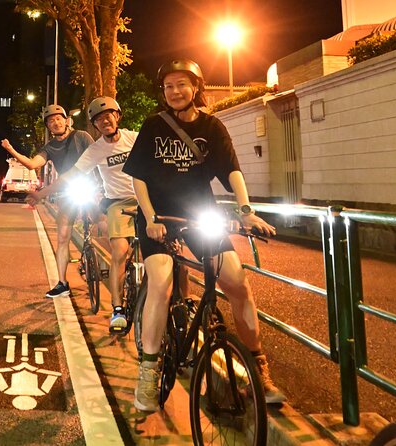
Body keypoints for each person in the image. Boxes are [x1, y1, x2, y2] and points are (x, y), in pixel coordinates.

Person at [122, 58, 286, 411]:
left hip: (198, 214)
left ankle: (259, 369)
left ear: (196, 87)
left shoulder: (213, 127)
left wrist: (246, 210)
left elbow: (232, 171)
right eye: (168, 86)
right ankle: (148, 373)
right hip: (157, 215)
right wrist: (150, 217)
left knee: (236, 282)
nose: (175, 91)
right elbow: (138, 177)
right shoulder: (153, 125)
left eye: (182, 84)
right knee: (162, 282)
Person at [27, 97, 139, 332]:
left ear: (118, 116)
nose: (104, 121)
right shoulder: (96, 148)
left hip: (143, 198)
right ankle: (115, 308)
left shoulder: (132, 138)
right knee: (117, 248)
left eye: (108, 115)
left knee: (170, 249)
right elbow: (71, 174)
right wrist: (42, 193)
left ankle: (182, 300)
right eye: (98, 119)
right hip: (116, 201)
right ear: (95, 125)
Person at [1, 104, 94, 298]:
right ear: (48, 127)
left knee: (104, 222)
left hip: (92, 188)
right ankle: (62, 283)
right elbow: (32, 164)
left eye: (58, 118)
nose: (55, 122)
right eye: (51, 121)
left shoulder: (82, 137)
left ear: (66, 120)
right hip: (68, 191)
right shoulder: (50, 147)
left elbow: (98, 158)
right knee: (62, 237)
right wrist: (11, 149)